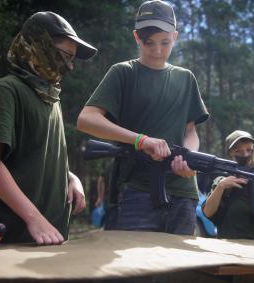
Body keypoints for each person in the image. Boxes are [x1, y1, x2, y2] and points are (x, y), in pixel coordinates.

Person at [77, 0, 209, 235]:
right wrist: (140, 140)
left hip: (183, 194)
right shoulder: (123, 72)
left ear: (175, 36)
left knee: (180, 270)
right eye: (149, 43)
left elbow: (190, 131)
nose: (157, 50)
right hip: (136, 192)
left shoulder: (186, 78)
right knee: (136, 268)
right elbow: (87, 119)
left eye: (165, 42)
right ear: (137, 37)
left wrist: (188, 159)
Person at [0, 11, 97, 245]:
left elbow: (36, 158)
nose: (69, 66)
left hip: (49, 241)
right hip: (7, 243)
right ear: (39, 46)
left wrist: (70, 177)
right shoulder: (8, 90)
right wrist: (34, 218)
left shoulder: (51, 97)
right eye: (64, 56)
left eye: (72, 59)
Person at [202, 130, 254, 240]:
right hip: (229, 242)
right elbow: (208, 213)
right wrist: (221, 187)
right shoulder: (222, 180)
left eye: (249, 150)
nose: (245, 155)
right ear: (230, 153)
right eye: (238, 151)